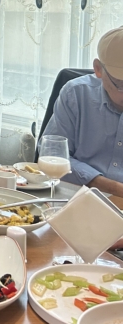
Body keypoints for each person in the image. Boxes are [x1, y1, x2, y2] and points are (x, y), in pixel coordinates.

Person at [42, 27, 123, 198]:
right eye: (121, 85)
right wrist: (113, 188)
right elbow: (51, 153)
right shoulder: (76, 94)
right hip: (76, 197)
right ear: (98, 69)